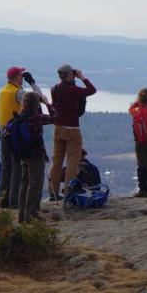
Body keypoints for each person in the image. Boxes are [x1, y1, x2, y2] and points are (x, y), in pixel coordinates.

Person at [0, 66, 45, 209]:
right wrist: (33, 83)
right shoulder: (17, 92)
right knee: (17, 167)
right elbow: (38, 98)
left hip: (5, 132)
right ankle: (15, 201)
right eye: (20, 75)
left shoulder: (2, 91)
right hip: (17, 135)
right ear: (15, 77)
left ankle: (3, 199)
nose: (22, 77)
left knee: (6, 168)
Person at [48, 64, 96, 200]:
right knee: (72, 161)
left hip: (58, 128)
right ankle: (69, 192)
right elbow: (92, 90)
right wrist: (82, 77)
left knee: (56, 161)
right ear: (70, 74)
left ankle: (53, 192)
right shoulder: (73, 90)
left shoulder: (54, 89)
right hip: (72, 129)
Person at [16, 92, 56, 222]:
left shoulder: (21, 116)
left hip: (23, 155)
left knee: (24, 183)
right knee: (35, 185)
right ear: (36, 104)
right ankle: (32, 215)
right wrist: (47, 103)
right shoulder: (35, 118)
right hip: (35, 155)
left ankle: (22, 215)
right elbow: (55, 118)